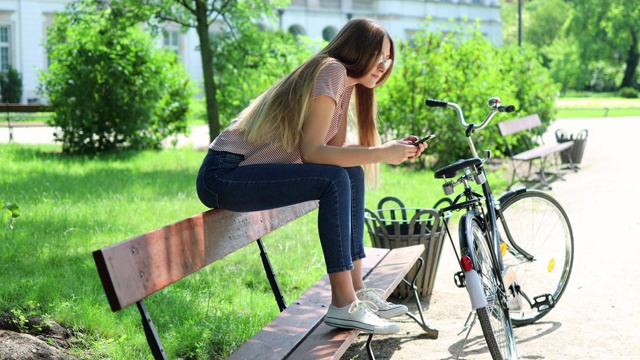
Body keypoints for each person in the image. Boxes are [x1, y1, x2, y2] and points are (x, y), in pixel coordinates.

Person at [196, 18, 427, 335]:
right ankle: (343, 305)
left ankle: (356, 291)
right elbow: (314, 154)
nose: (384, 64)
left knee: (350, 174)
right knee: (334, 180)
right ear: (357, 49)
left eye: (389, 58)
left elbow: (334, 151)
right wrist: (381, 153)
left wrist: (394, 148)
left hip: (242, 174)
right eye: (379, 54)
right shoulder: (331, 70)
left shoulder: (343, 82)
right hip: (224, 174)